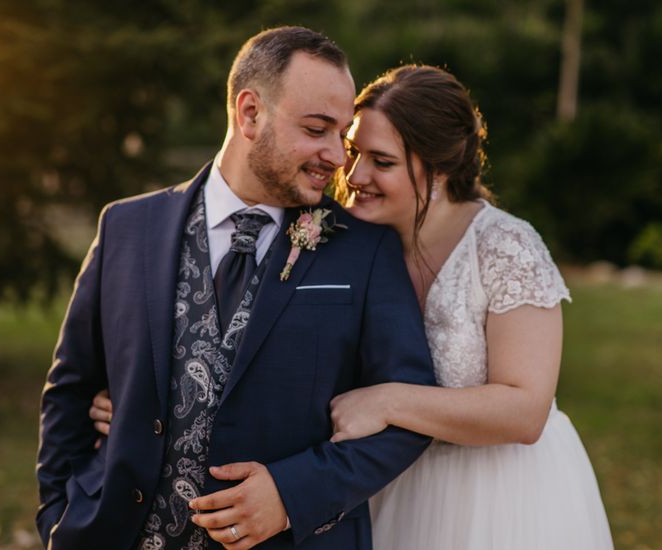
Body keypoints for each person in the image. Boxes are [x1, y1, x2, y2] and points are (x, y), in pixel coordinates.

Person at [92, 64, 614, 549]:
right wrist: (157, 405)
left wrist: (388, 401)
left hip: (494, 494)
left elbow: (526, 411)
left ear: (439, 168)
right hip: (375, 488)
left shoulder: (506, 247)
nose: (354, 173)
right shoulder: (340, 237)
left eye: (381, 161)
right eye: (353, 149)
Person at [37, 27, 437, 550]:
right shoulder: (126, 227)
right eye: (318, 129)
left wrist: (291, 495)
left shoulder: (365, 250)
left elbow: (407, 421)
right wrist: (58, 513)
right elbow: (70, 389)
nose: (338, 158)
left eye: (341, 135)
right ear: (250, 113)